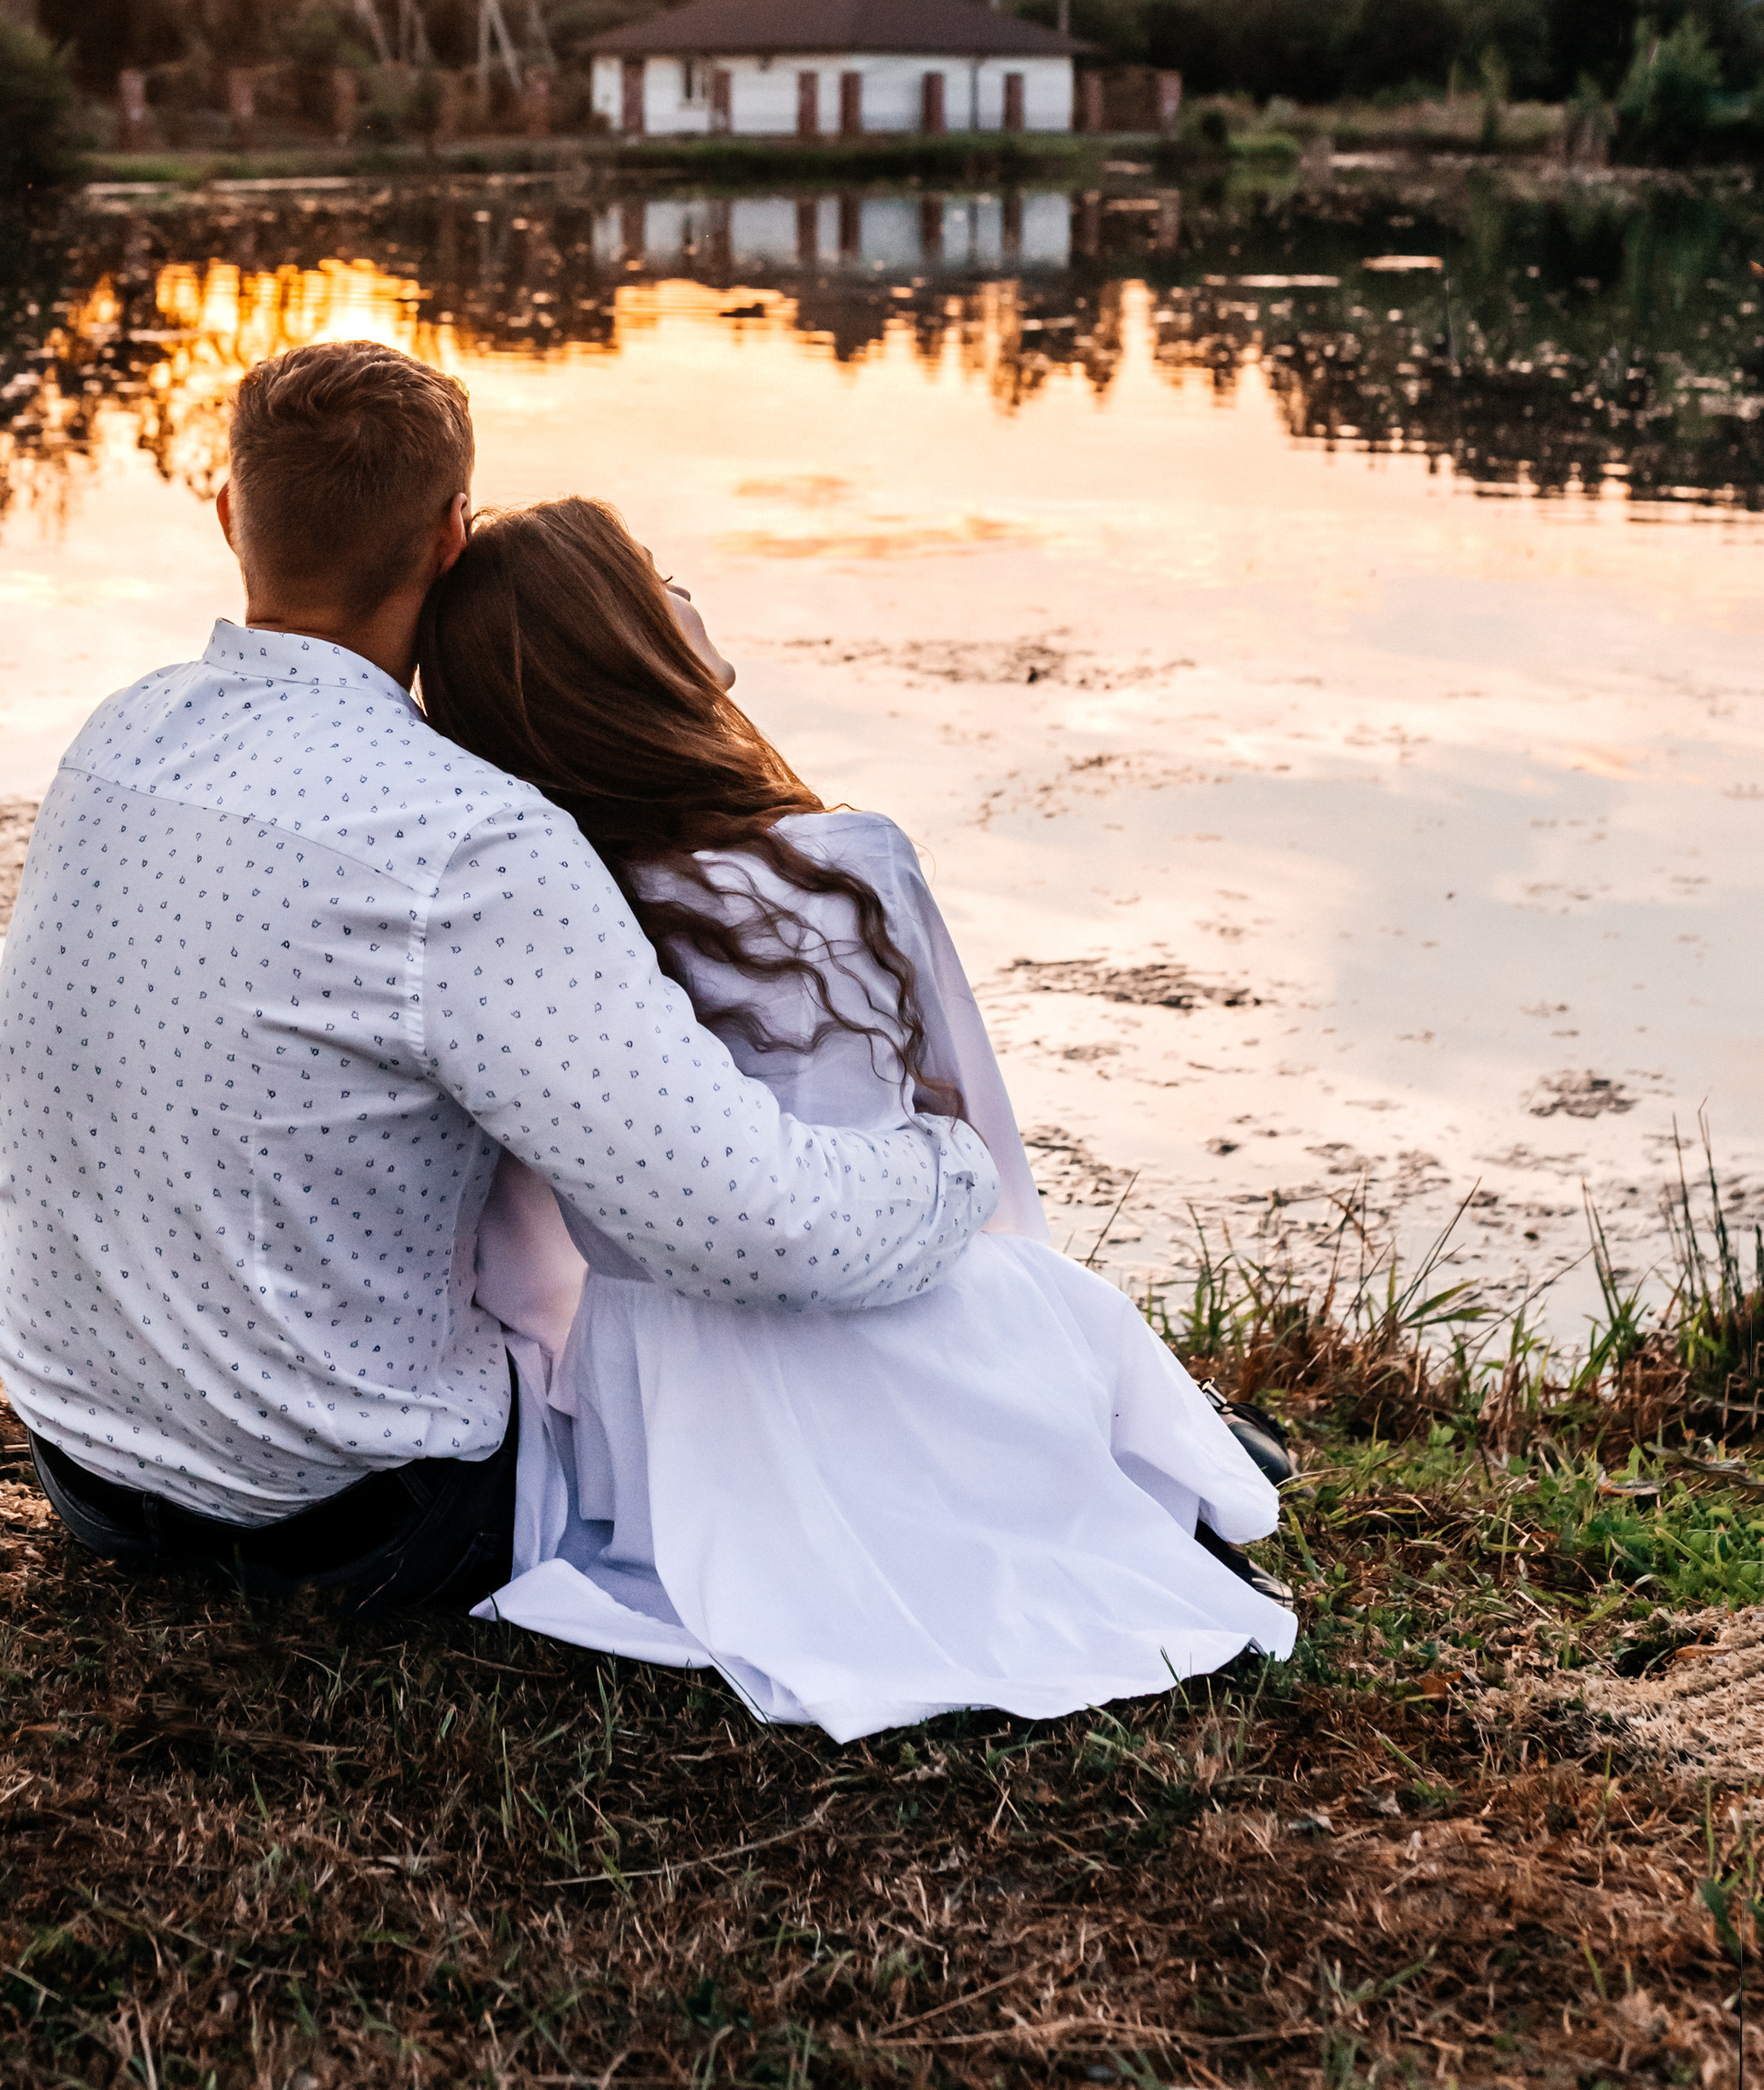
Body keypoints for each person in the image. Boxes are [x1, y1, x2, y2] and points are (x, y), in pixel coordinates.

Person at [0, 341, 1000, 1614]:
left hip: (85, 1465)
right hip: (348, 1521)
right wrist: (948, 1173)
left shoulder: (117, 735)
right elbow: (758, 1229)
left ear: (232, 513)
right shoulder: (470, 838)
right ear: (452, 535)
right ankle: (1057, 1446)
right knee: (757, 1350)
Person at [415, 496, 1296, 1742]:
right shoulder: (851, 859)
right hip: (903, 1303)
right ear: (625, 643)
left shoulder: (553, 911)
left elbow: (523, 1235)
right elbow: (974, 1133)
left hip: (671, 1397)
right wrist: (1022, 1311)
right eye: (657, 576)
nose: (685, 594)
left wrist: (575, 1381)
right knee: (1051, 1319)